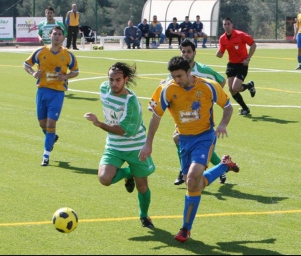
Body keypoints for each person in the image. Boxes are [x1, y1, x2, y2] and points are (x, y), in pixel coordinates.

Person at [139, 56, 240, 243]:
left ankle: (185, 228)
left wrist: (223, 124)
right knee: (194, 184)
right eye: (173, 76)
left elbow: (228, 107)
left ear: (189, 72)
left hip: (204, 137)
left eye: (179, 76)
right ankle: (224, 166)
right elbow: (156, 116)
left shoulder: (209, 86)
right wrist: (148, 143)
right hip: (183, 139)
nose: (176, 80)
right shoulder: (166, 89)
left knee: (193, 178)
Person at [84, 62, 156, 229]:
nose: (114, 84)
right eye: (111, 79)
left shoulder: (131, 102)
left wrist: (99, 123)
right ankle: (128, 173)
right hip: (114, 147)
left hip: (135, 147)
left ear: (126, 80)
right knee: (104, 178)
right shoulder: (104, 89)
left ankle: (144, 216)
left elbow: (123, 130)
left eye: (118, 80)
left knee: (142, 185)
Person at [171, 39, 227, 186]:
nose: (185, 55)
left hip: (199, 115)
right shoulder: (177, 70)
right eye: (183, 51)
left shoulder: (203, 70)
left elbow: (221, 80)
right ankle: (185, 170)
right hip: (182, 116)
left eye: (188, 51)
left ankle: (218, 167)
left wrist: (209, 99)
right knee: (178, 138)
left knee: (196, 141)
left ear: (194, 52)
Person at [23, 26, 79, 166]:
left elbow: (76, 71)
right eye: (55, 34)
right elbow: (26, 64)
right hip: (42, 91)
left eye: (59, 34)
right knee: (42, 123)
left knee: (51, 123)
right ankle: (51, 137)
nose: (57, 36)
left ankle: (46, 156)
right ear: (50, 35)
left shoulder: (68, 54)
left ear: (63, 38)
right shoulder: (41, 51)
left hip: (57, 93)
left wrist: (65, 76)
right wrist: (33, 73)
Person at [216, 17, 256, 116]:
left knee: (235, 87)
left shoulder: (240, 35)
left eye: (228, 24)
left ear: (232, 25)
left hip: (242, 64)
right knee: (231, 89)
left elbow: (253, 45)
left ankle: (248, 86)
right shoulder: (222, 38)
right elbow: (221, 53)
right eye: (224, 24)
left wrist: (248, 58)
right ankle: (245, 108)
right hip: (231, 64)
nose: (226, 26)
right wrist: (218, 53)